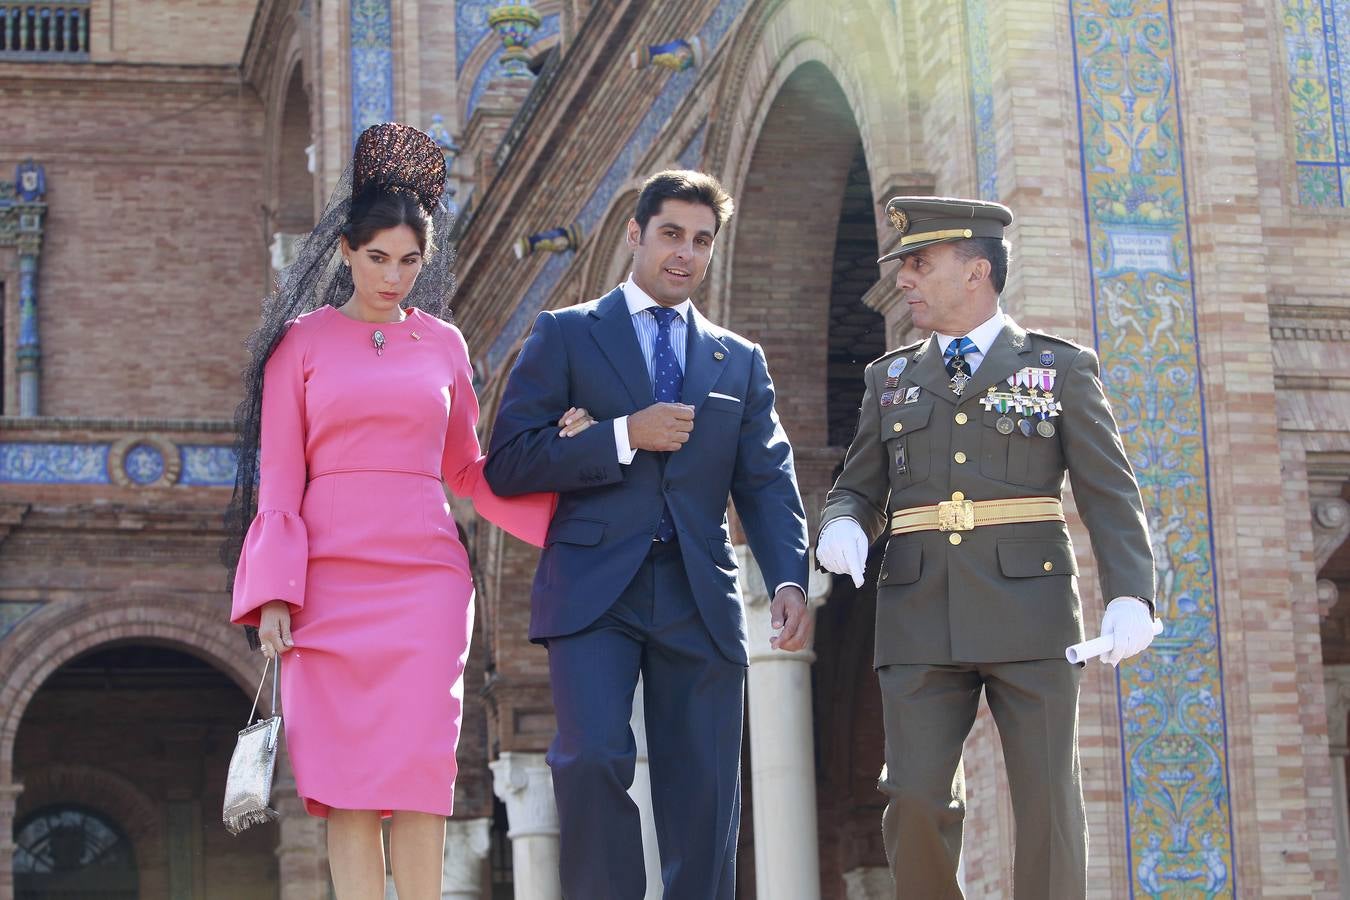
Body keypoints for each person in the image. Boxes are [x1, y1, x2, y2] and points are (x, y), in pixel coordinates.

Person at [223, 123, 585, 900]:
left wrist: (563, 506)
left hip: (425, 580)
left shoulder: (444, 344)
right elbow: (280, 477)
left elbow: (466, 468)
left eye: (410, 261)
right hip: (324, 586)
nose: (394, 276)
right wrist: (274, 595)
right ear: (346, 253)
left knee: (422, 772)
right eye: (378, 258)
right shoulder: (301, 344)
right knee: (344, 781)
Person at [815, 196, 1158, 899]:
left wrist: (1133, 594)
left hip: (1029, 611)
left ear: (976, 271)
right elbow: (858, 486)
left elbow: (1109, 493)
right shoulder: (891, 379)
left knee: (1047, 804)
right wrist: (842, 522)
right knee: (912, 799)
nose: (904, 280)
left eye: (919, 263)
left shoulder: (1059, 370)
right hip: (917, 613)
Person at [484, 170, 812, 898]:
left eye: (701, 241)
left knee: (705, 786)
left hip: (699, 591)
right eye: (671, 234)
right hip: (595, 590)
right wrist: (620, 436)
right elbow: (507, 463)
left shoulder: (739, 360)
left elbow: (766, 480)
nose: (684, 254)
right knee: (592, 758)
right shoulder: (567, 334)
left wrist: (790, 577)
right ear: (635, 234)